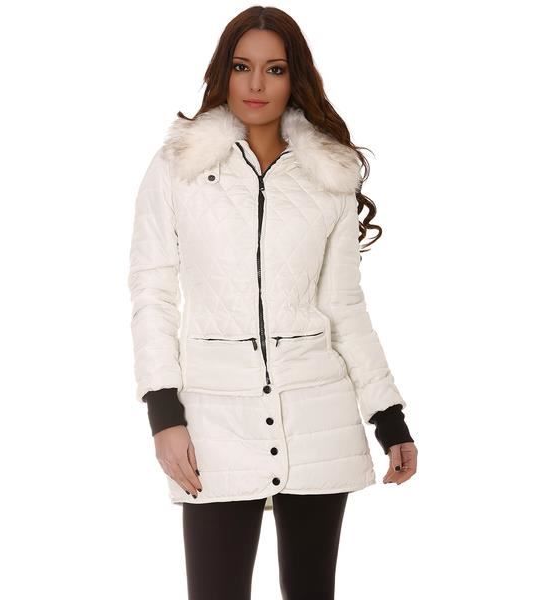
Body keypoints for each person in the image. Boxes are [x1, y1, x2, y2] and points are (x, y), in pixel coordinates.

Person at [127, 6, 418, 600]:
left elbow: (344, 307)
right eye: (242, 66)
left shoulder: (328, 173)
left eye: (275, 69)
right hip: (214, 417)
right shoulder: (178, 165)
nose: (256, 84)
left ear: (294, 77)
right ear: (224, 72)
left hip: (318, 411)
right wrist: (164, 414)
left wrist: (389, 417)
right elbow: (152, 291)